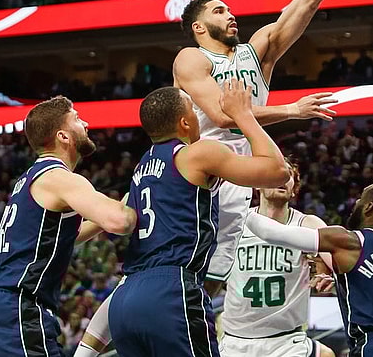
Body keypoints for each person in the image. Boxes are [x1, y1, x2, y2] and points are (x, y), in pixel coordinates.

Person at [173, 0, 373, 297]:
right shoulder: (191, 58)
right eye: (219, 11)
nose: (231, 13)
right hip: (198, 172)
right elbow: (225, 116)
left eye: (229, 8)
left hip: (243, 175)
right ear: (199, 28)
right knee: (175, 274)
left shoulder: (258, 52)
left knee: (213, 285)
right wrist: (292, 110)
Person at [107, 81, 291, 357]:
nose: (197, 116)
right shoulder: (197, 153)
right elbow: (278, 171)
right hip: (171, 289)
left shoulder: (141, 167)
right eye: (193, 109)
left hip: (125, 297)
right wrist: (242, 114)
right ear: (184, 122)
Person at [0, 96, 138, 357]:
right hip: (19, 306)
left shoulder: (32, 178)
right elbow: (120, 221)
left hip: (6, 306)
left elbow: (63, 238)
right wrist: (139, 199)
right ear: (63, 136)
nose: (85, 123)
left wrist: (104, 216)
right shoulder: (60, 178)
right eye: (76, 118)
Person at [244, 180, 373, 356]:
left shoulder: (349, 241)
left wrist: (240, 205)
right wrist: (340, 284)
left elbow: (272, 232)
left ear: (368, 207)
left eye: (361, 199)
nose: (356, 202)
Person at [220, 160, 335, 357]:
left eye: (288, 175)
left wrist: (324, 271)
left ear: (294, 190)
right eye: (276, 173)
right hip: (236, 340)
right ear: (257, 184)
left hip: (286, 340)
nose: (282, 179)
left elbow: (339, 255)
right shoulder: (236, 221)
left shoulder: (307, 224)